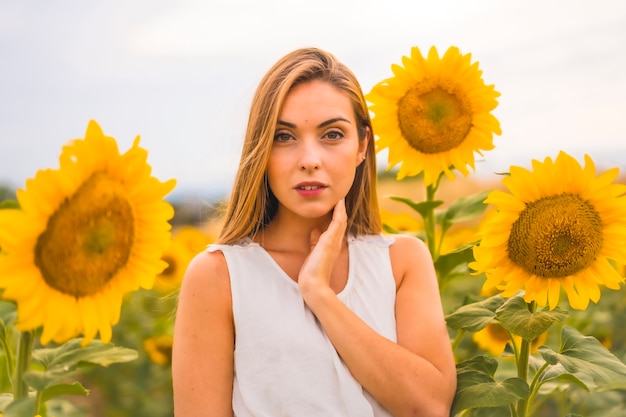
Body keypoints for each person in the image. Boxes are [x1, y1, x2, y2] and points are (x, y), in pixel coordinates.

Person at [172, 47, 457, 417]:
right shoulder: (218, 277)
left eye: (333, 134)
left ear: (362, 147)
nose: (309, 159)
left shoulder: (401, 261)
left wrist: (319, 294)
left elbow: (430, 406)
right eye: (284, 137)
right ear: (260, 151)